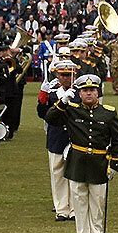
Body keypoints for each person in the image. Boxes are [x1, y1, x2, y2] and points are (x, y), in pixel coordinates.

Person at [44, 72, 118, 233]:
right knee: (79, 205)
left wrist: (115, 164)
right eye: (85, 90)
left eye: (92, 90)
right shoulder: (71, 110)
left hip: (99, 163)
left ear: (98, 93)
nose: (89, 93)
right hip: (77, 163)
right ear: (79, 93)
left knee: (96, 206)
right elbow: (50, 118)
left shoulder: (108, 113)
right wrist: (62, 102)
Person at [37, 58, 79, 222]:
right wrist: (43, 97)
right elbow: (43, 114)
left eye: (68, 75)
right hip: (56, 138)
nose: (65, 78)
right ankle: (62, 209)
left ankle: (75, 208)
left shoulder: (79, 93)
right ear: (57, 75)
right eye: (62, 75)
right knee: (57, 174)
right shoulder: (53, 93)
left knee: (75, 176)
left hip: (75, 138)